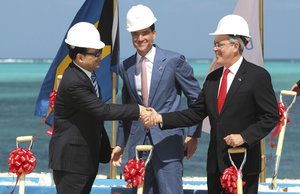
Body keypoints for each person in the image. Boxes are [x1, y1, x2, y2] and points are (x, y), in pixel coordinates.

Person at [142, 14, 280, 194]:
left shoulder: (257, 76)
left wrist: (244, 137)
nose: (215, 49)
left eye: (219, 44)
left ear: (235, 46)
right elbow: (195, 113)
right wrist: (160, 117)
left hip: (242, 165)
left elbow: (270, 116)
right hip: (215, 167)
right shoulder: (212, 79)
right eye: (214, 44)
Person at [110, 4, 201, 194]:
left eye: (145, 33)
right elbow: (126, 109)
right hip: (137, 145)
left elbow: (196, 98)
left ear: (154, 34)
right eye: (135, 34)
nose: (140, 38)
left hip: (168, 142)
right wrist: (120, 143)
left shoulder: (174, 61)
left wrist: (193, 134)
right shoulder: (124, 67)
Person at [49, 22, 147, 194]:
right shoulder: (74, 82)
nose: (100, 57)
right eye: (95, 54)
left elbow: (92, 118)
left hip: (85, 160)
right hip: (72, 162)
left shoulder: (87, 75)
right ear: (80, 57)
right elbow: (102, 110)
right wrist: (138, 110)